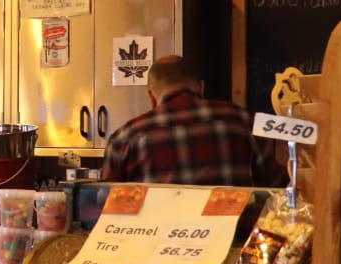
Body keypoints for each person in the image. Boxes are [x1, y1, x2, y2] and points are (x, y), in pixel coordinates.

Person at [99, 55, 284, 186]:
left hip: (153, 240)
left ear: (151, 96)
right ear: (201, 87)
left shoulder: (124, 138)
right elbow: (274, 188)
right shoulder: (245, 121)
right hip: (234, 239)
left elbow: (105, 205)